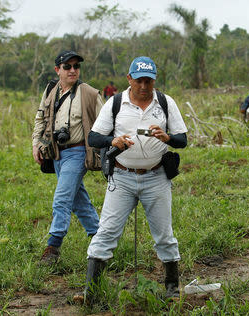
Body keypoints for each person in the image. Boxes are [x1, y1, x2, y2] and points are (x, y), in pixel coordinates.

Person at [83, 56, 188, 303]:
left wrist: (167, 138)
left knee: (164, 234)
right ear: (129, 79)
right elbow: (93, 138)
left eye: (148, 81)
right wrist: (113, 141)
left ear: (154, 80)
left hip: (156, 177)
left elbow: (182, 140)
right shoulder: (115, 103)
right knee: (106, 232)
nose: (144, 86)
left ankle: (172, 289)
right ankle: (92, 292)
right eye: (139, 80)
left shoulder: (165, 102)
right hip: (122, 176)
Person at [32, 50, 103, 264]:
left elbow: (106, 122)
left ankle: (53, 247)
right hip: (56, 152)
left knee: (62, 198)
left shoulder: (89, 93)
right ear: (58, 70)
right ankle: (99, 238)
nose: (73, 70)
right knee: (78, 200)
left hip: (79, 150)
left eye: (76, 66)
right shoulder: (51, 89)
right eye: (67, 66)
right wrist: (36, 142)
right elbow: (40, 117)